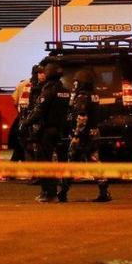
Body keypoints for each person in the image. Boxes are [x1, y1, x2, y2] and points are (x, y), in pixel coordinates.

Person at [22, 62, 71, 202]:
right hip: (61, 131)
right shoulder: (65, 91)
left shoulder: (49, 90)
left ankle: (49, 193)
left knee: (44, 162)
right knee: (61, 162)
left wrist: (26, 123)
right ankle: (61, 192)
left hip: (47, 131)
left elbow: (39, 110)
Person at [64, 69, 103, 202]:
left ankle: (62, 192)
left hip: (83, 135)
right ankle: (104, 190)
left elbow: (81, 117)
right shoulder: (94, 95)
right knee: (94, 161)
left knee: (71, 162)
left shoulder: (82, 97)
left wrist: (76, 135)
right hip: (94, 132)